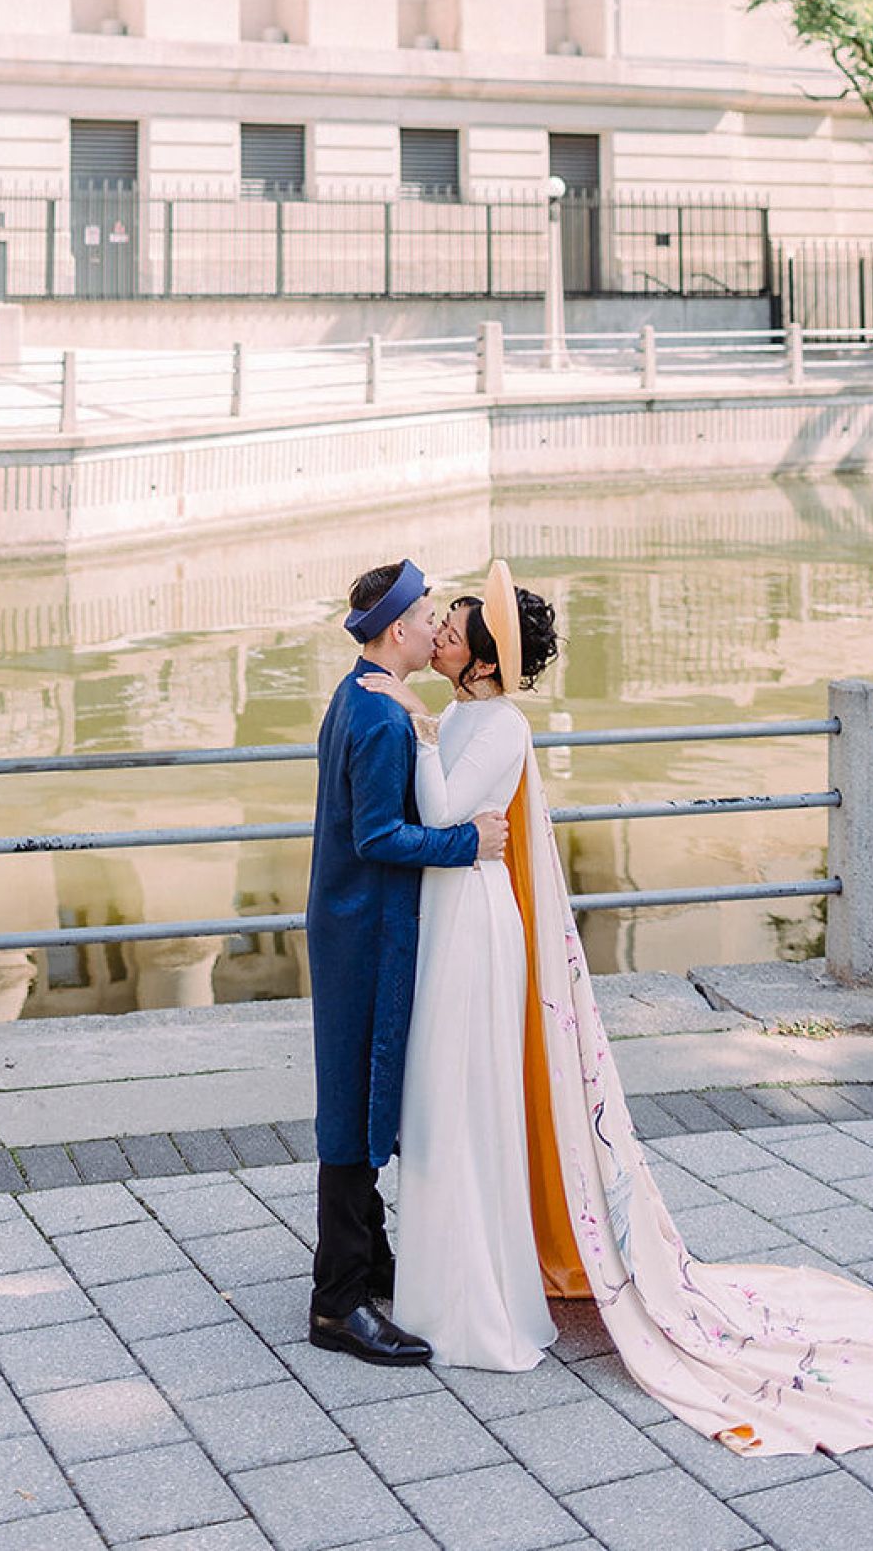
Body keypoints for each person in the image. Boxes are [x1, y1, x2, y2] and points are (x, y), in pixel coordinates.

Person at [367, 563, 873, 1456]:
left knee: (465, 1095)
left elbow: (440, 807)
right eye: (444, 619)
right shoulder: (466, 715)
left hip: (475, 920)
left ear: (483, 659)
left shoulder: (498, 724)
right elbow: (448, 820)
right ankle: (445, 1284)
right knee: (447, 1100)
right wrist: (430, 729)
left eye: (456, 623)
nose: (439, 629)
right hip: (453, 908)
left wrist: (416, 726)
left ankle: (477, 1305)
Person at [304, 557, 510, 1366]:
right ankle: (337, 1300)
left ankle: (370, 1257)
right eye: (429, 619)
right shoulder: (385, 718)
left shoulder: (358, 693)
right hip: (367, 926)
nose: (437, 630)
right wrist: (469, 841)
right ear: (398, 629)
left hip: (349, 918)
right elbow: (378, 835)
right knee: (355, 1102)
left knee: (357, 1089)